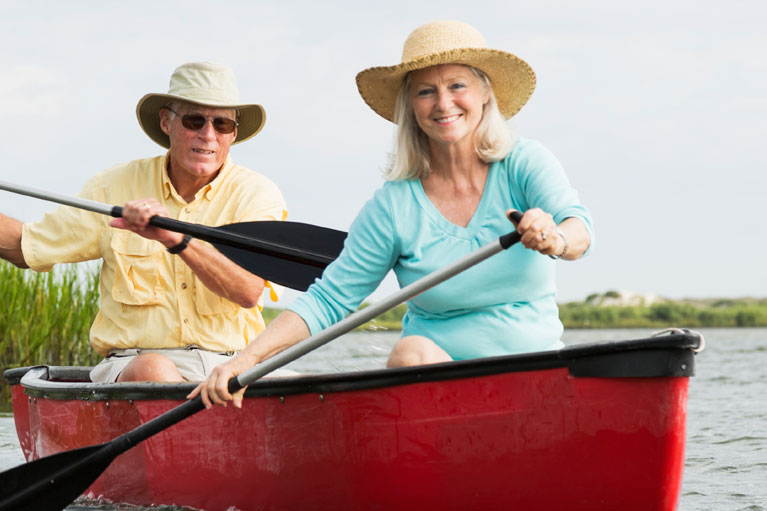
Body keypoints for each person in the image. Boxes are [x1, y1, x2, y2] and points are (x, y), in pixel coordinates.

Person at [191, 20, 593, 408]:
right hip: (439, 392)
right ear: (411, 107)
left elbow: (578, 230)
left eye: (457, 86)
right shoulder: (393, 205)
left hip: (537, 379)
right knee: (410, 351)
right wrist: (245, 361)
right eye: (425, 92)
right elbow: (329, 299)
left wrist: (555, 238)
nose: (443, 103)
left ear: (484, 93)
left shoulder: (525, 162)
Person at [0, 61, 288, 383]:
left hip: (236, 366)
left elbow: (248, 291)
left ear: (233, 133)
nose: (208, 135)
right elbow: (23, 247)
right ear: (167, 122)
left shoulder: (257, 193)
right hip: (135, 365)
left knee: (298, 385)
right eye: (195, 121)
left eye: (221, 124)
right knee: (156, 369)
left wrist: (174, 239)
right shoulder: (112, 186)